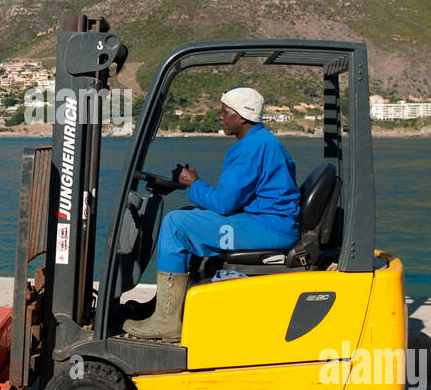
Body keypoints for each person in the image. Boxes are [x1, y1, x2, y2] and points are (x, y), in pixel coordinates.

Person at [123, 86, 300, 341]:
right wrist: (192, 185)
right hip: (267, 220)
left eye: (224, 112)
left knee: (176, 223)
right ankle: (168, 306)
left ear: (240, 116)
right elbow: (233, 198)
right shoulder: (261, 142)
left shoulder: (252, 148)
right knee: (188, 215)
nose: (220, 116)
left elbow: (225, 204)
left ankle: (166, 321)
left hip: (268, 228)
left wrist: (194, 183)